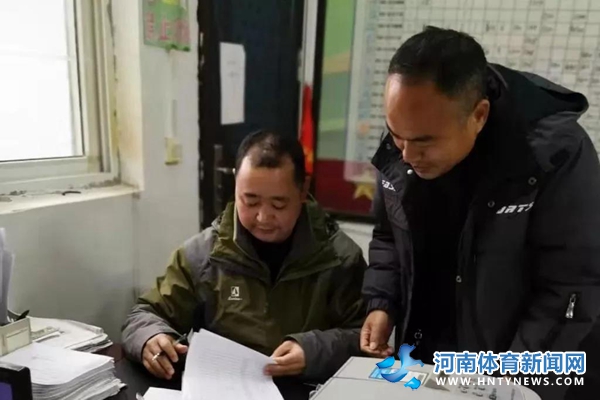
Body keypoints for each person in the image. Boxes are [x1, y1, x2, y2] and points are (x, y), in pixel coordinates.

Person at [360, 26, 600, 399]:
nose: (405, 154)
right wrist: (382, 303)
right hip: (427, 365)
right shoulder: (407, 136)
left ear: (479, 115)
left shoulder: (552, 156)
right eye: (395, 134)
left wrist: (509, 385)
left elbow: (570, 289)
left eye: (423, 142)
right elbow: (389, 235)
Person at [122, 130, 366, 383]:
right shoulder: (203, 255)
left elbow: (366, 337)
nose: (263, 217)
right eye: (250, 201)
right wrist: (151, 337)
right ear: (236, 185)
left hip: (311, 388)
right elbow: (144, 314)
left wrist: (313, 351)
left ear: (303, 190)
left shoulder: (339, 258)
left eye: (279, 204)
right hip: (225, 388)